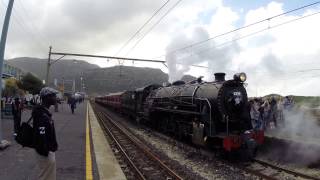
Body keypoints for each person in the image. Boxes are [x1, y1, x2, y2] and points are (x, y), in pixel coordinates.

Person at [32, 87, 58, 180]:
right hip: (45, 153)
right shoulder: (42, 115)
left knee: (48, 176)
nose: (56, 98)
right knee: (45, 177)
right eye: (54, 96)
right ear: (47, 97)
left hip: (47, 151)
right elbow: (41, 134)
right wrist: (46, 151)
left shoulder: (44, 113)